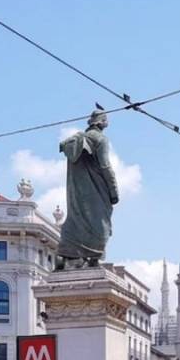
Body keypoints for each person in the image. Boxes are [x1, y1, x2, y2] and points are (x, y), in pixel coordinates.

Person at [56, 108, 119, 268]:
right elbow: (105, 166)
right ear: (102, 122)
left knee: (76, 219)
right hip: (97, 190)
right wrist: (114, 190)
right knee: (100, 222)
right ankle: (93, 256)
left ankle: (67, 255)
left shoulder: (75, 142)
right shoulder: (100, 139)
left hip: (76, 191)